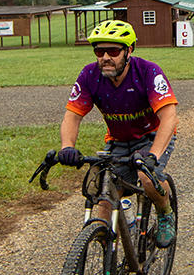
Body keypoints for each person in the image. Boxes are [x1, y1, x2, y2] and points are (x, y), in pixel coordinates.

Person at [55, 19, 180, 245]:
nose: (105, 57)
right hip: (119, 141)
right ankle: (105, 259)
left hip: (152, 135)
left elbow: (169, 117)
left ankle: (165, 211)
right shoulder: (89, 75)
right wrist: (67, 147)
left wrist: (153, 156)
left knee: (147, 177)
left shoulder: (148, 72)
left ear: (128, 50)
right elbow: (72, 116)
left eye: (112, 51)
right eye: (99, 51)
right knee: (104, 195)